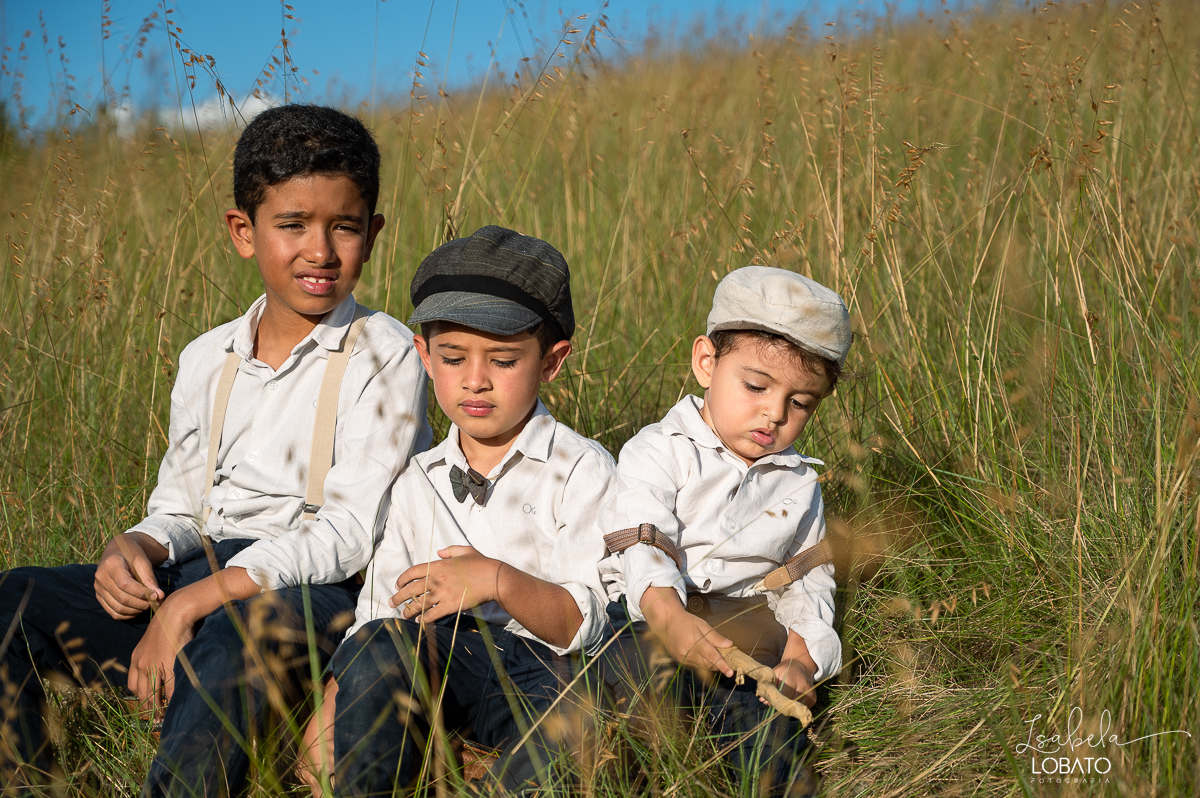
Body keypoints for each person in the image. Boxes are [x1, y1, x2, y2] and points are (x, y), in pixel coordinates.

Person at [0, 104, 431, 796]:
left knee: (234, 637)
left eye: (343, 227)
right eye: (291, 225)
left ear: (372, 234)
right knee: (16, 599)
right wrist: (137, 545)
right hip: (203, 572)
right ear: (243, 231)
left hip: (311, 593)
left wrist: (191, 603)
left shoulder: (386, 355)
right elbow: (181, 504)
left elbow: (348, 536)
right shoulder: (207, 358)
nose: (319, 251)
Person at [305, 225, 615, 797]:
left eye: (502, 360)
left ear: (551, 361)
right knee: (381, 652)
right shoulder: (418, 481)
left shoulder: (581, 470)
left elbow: (585, 623)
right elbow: (378, 618)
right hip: (445, 662)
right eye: (452, 357)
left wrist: (496, 579)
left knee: (589, 722)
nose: (475, 381)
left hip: (547, 675)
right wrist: (329, 709)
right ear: (424, 356)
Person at [598, 265, 850, 795]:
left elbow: (807, 580)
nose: (774, 413)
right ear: (706, 362)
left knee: (774, 745)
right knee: (637, 690)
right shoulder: (658, 450)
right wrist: (670, 617)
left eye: (800, 402)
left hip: (749, 641)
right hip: (656, 619)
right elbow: (644, 543)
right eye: (756, 385)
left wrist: (800, 661)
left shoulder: (798, 484)